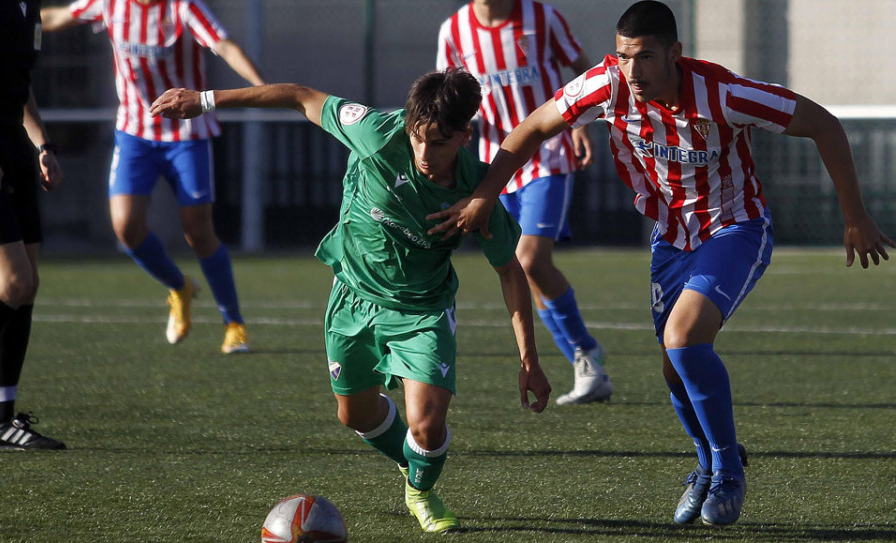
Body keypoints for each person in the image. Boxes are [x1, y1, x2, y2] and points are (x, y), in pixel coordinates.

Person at [426, 0, 894, 527]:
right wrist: (487, 192)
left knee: (683, 339)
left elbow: (823, 124)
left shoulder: (723, 92)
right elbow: (533, 127)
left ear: (675, 53)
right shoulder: (607, 85)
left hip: (734, 228)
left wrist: (854, 216)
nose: (633, 70)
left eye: (646, 57)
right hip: (670, 239)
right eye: (624, 56)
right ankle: (706, 465)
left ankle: (727, 470)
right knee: (675, 368)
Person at [150, 69, 552, 533]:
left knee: (428, 425)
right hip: (353, 298)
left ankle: (420, 489)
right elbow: (300, 95)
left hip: (422, 310)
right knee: (353, 414)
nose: (424, 153)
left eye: (439, 143)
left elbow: (509, 272)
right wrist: (205, 99)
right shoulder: (376, 131)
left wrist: (529, 359)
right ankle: (411, 461)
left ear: (466, 134)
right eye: (417, 138)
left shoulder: (477, 194)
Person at [40, 0, 265, 354]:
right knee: (126, 228)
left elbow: (223, 44)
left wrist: (262, 87)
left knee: (198, 232)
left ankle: (234, 323)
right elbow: (56, 17)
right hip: (134, 135)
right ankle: (180, 287)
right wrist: (14, 15)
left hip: (187, 135)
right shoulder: (111, 3)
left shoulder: (183, 6)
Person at [437, 0, 612, 405]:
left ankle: (585, 353)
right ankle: (587, 359)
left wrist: (583, 123)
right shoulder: (454, 30)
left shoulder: (542, 17)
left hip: (547, 155)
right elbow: (447, 96)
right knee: (522, 268)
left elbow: (583, 68)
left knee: (531, 258)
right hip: (493, 164)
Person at [0, 0, 66, 449]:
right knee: (13, 281)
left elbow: (19, 89)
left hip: (16, 151)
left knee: (29, 283)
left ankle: (2, 418)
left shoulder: (29, 8)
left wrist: (42, 145)